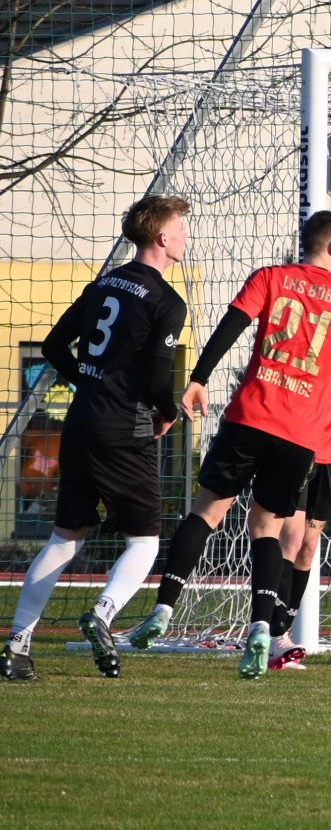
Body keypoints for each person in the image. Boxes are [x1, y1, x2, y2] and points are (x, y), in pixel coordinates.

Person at [125, 211, 331, 679]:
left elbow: (231, 325)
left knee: (206, 513)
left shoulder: (270, 277)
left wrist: (199, 379)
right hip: (299, 435)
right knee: (266, 530)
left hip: (249, 418)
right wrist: (329, 374)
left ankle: (162, 608)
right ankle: (261, 628)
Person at [4, 196, 191, 682]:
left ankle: (17, 647)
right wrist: (169, 412)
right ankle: (102, 614)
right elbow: (158, 379)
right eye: (180, 228)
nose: (185, 236)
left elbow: (52, 346)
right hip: (124, 429)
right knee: (144, 540)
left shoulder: (103, 283)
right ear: (162, 237)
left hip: (82, 421)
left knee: (65, 538)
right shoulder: (167, 302)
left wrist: (89, 384)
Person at [266, 239, 331, 670]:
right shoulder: (322, 306)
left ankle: (282, 631)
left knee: (309, 545)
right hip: (296, 437)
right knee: (290, 538)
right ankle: (272, 633)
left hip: (328, 443)